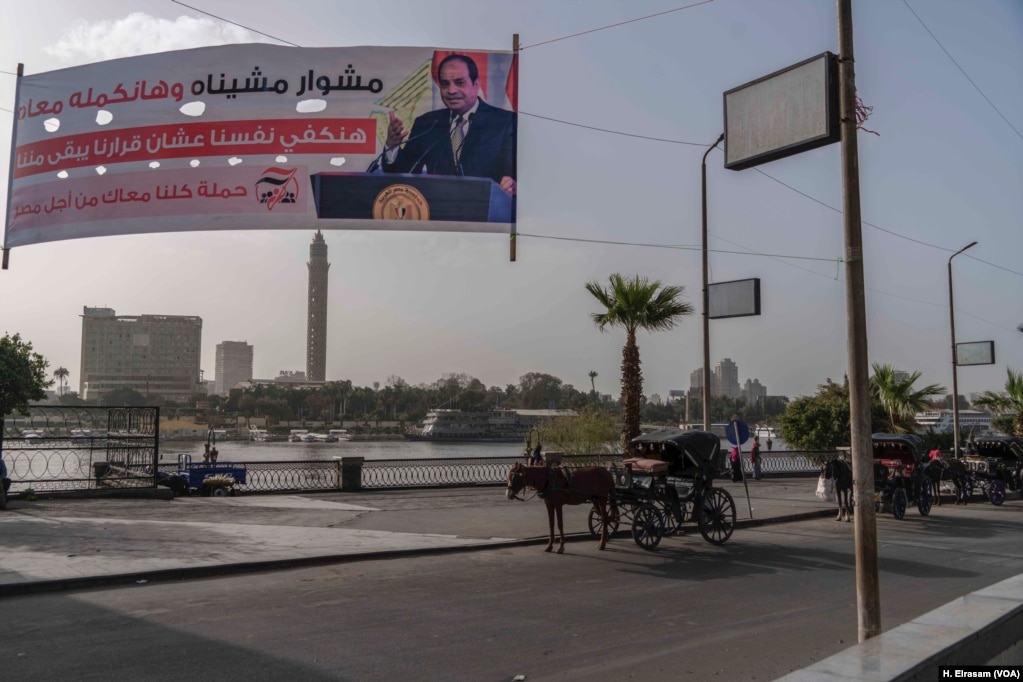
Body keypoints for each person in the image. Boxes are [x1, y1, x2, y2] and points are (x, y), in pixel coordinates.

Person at [379, 54, 517, 196]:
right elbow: (402, 177)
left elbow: (521, 175)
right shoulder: (427, 124)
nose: (451, 91)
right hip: (438, 212)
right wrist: (392, 146)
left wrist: (516, 185)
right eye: (445, 84)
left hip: (487, 211)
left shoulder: (506, 122)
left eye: (459, 82)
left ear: (476, 85)